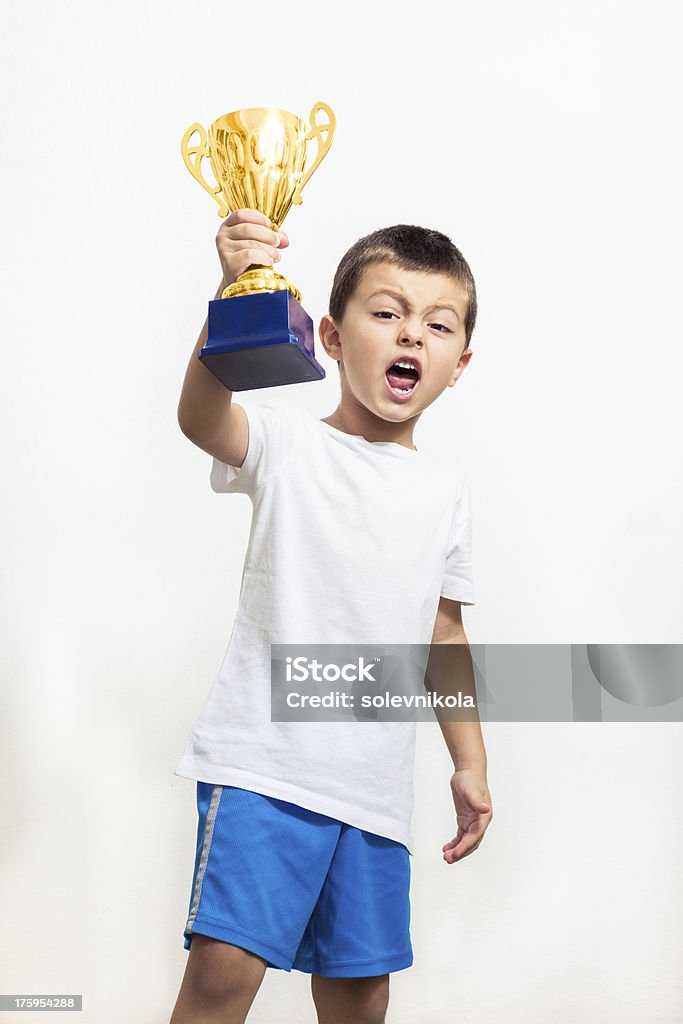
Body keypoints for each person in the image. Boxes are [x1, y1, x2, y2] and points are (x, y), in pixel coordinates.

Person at [168, 209, 493, 1024]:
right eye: (385, 313)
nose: (410, 335)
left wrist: (470, 762)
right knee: (223, 972)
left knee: (358, 992)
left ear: (458, 365)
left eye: (436, 324)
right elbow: (201, 419)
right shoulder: (288, 447)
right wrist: (234, 288)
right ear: (332, 336)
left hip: (372, 793)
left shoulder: (443, 493)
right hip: (264, 769)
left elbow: (442, 634)